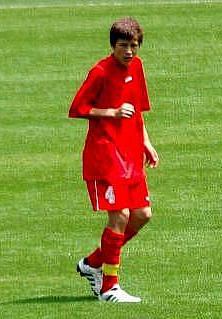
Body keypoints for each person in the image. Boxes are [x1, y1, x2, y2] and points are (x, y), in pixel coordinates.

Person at [69, 17, 159, 303]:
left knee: (142, 215)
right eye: (123, 46)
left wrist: (146, 143)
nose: (129, 51)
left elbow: (138, 110)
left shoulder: (138, 67)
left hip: (131, 154)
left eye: (134, 46)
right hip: (105, 155)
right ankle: (109, 286)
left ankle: (93, 262)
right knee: (119, 215)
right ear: (113, 46)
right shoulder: (100, 72)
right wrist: (112, 113)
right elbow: (78, 107)